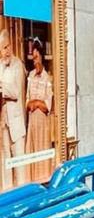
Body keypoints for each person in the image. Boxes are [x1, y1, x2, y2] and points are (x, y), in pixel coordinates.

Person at [25, 38, 53, 181]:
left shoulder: (47, 78)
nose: (34, 61)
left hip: (42, 122)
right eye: (33, 58)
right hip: (32, 122)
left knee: (42, 150)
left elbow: (47, 105)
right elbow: (27, 102)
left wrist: (36, 103)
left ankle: (44, 180)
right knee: (33, 151)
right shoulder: (30, 76)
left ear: (41, 57)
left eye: (36, 57)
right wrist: (36, 102)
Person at [0, 28, 26, 169]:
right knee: (5, 164)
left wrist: (2, 86)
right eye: (4, 48)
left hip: (16, 123)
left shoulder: (17, 65)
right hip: (3, 123)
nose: (8, 50)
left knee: (19, 164)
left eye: (9, 46)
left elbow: (15, 92)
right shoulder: (0, 66)